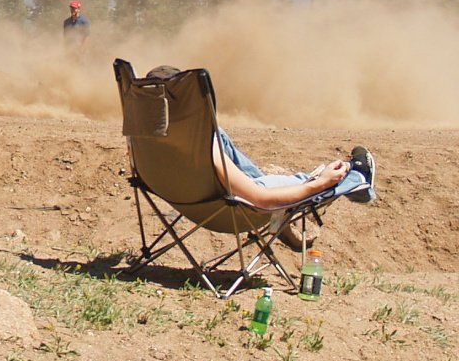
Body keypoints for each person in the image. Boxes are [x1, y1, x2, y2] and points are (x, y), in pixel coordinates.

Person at [143, 66, 377, 247]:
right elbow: (261, 199)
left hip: (186, 202)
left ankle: (282, 214)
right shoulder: (200, 141)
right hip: (234, 211)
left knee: (219, 134)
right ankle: (358, 178)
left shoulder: (141, 140)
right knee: (312, 181)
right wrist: (322, 183)